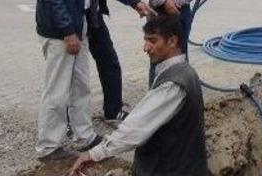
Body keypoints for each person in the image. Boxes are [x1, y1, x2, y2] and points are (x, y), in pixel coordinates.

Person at [35, 0, 153, 161]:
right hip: (60, 33)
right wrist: (68, 32)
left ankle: (84, 136)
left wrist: (135, 2)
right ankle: (48, 146)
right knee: (57, 91)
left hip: (80, 27)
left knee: (79, 87)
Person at [68, 16, 209, 176]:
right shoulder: (183, 71)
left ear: (172, 41)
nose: (146, 48)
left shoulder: (173, 84)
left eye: (153, 41)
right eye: (146, 40)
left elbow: (136, 128)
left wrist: (94, 154)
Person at [86, 0, 128, 124]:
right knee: (71, 75)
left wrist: (135, 2)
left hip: (94, 18)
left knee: (109, 62)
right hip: (73, 22)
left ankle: (113, 111)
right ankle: (67, 121)